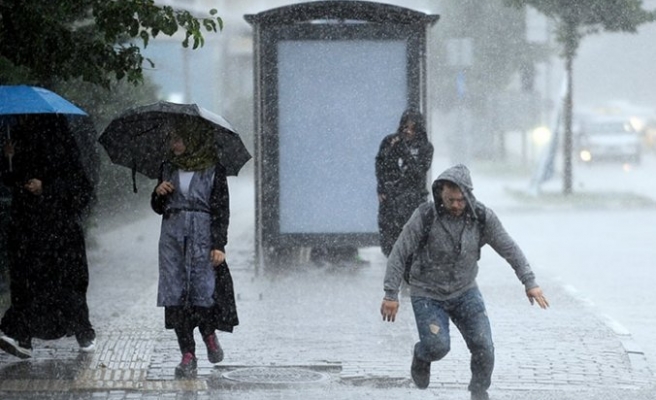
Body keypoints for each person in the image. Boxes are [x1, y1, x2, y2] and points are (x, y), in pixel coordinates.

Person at [379, 164, 549, 400]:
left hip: (465, 291)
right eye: (450, 200)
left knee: (484, 347)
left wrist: (529, 282)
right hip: (427, 293)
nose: (456, 205)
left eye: (460, 200)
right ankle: (422, 355)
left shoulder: (481, 217)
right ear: (441, 194)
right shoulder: (425, 216)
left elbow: (509, 249)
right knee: (438, 346)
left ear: (468, 195)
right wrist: (390, 294)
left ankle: (479, 391)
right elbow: (399, 252)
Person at [0, 116, 96, 359]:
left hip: (60, 233)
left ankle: (83, 331)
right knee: (26, 284)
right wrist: (8, 159)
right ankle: (20, 335)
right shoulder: (20, 142)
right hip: (27, 230)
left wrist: (47, 188)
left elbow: (80, 190)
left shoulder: (65, 152)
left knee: (66, 286)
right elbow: (10, 180)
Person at [151, 123, 239, 378]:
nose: (174, 145)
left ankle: (209, 335)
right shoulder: (167, 168)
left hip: (202, 235)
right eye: (172, 140)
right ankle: (187, 354)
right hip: (172, 238)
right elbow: (157, 207)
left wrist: (218, 245)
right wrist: (158, 193)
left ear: (193, 140)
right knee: (176, 295)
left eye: (178, 140)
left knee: (203, 293)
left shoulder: (213, 169)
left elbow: (222, 209)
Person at [375, 109, 433, 257]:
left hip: (412, 201)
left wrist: (404, 152)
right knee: (389, 245)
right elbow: (381, 166)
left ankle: (410, 273)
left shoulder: (425, 148)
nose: (407, 131)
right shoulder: (390, 142)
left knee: (412, 243)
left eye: (412, 128)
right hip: (390, 201)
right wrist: (381, 188)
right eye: (405, 127)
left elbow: (418, 173)